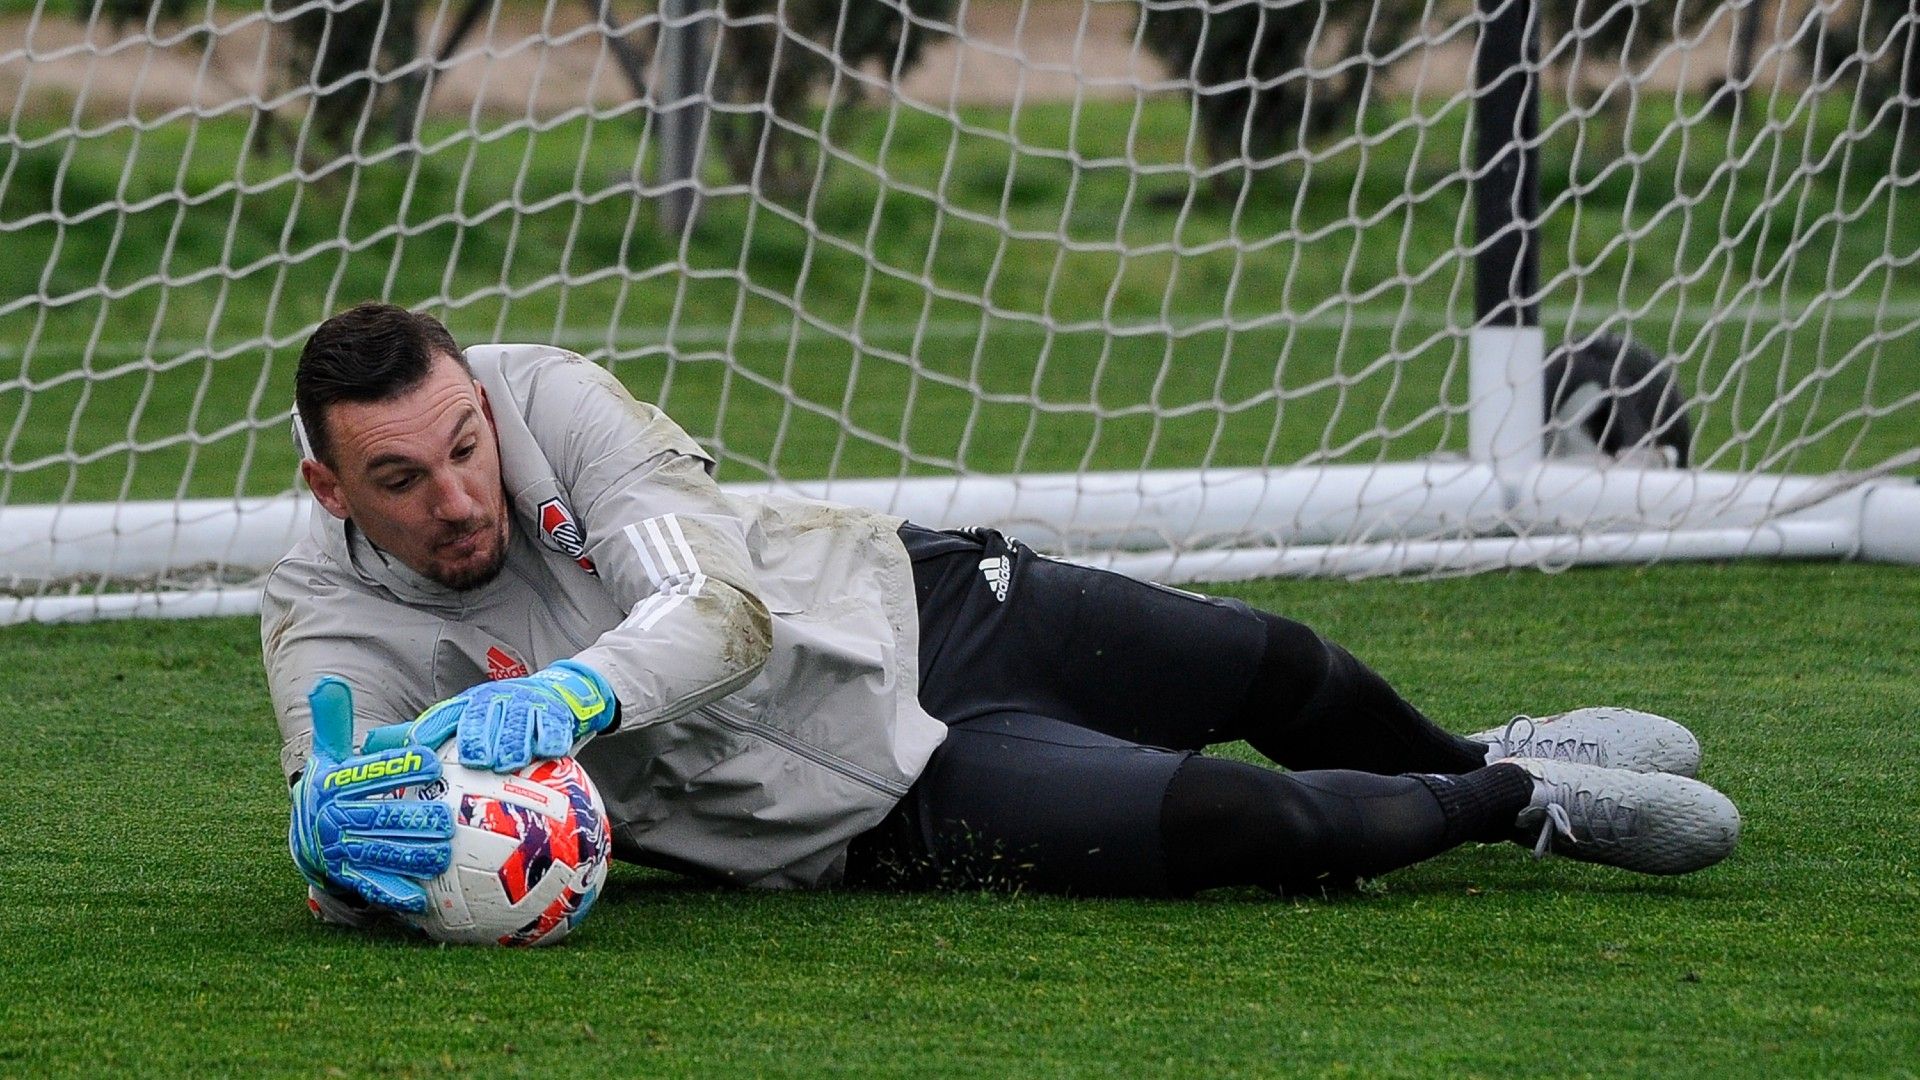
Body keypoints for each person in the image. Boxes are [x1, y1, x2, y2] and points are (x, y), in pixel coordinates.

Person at [265, 302, 1740, 927]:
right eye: (404, 478)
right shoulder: (327, 632)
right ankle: (1523, 799)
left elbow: (717, 614)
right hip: (854, 812)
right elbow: (349, 828)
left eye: (465, 447)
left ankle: (1469, 738)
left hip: (920, 605)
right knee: (1257, 831)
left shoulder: (550, 402)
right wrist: (337, 846)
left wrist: (573, 701)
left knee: (1274, 663)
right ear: (333, 490)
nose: (462, 495)